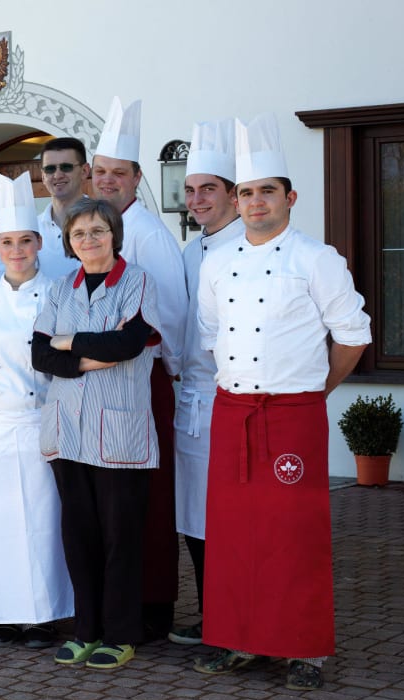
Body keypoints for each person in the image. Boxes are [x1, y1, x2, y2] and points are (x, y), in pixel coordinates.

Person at [195, 114, 371, 690]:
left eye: (266, 191)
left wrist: (317, 390)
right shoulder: (217, 263)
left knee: (294, 535)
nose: (255, 202)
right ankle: (238, 639)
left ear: (290, 198)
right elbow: (210, 337)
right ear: (236, 200)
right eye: (246, 192)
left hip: (293, 415)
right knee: (232, 534)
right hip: (232, 412)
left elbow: (353, 336)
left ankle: (303, 650)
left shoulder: (318, 259)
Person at [32, 197, 163, 670]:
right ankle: (86, 630)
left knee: (120, 539)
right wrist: (90, 357)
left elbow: (129, 343)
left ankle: (121, 633)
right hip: (67, 431)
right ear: (69, 242)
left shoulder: (137, 281)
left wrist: (68, 343)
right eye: (79, 233)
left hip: (119, 435)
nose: (88, 240)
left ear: (114, 235)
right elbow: (40, 355)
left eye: (97, 231)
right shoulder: (60, 288)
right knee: (79, 536)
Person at [90, 96, 187, 640]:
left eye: (118, 173)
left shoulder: (148, 233)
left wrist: (166, 372)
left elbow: (172, 316)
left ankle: (154, 603)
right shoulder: (94, 228)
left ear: (137, 178)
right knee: (112, 499)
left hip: (144, 379)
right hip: (99, 379)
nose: (108, 180)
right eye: (101, 171)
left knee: (148, 495)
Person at [0, 172, 73, 649]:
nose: (16, 250)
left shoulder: (59, 293)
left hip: (41, 420)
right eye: (7, 242)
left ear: (39, 243)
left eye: (25, 240)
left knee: (43, 522)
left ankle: (45, 617)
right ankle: (0, 615)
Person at [168, 119, 244, 647]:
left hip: (235, 399)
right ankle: (212, 612)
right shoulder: (190, 252)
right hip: (191, 401)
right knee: (194, 516)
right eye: (191, 190)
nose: (196, 200)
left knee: (233, 517)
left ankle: (237, 615)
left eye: (208, 189)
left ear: (234, 195)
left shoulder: (249, 249)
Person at [37, 137, 89, 280]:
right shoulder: (32, 229)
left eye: (66, 167)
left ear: (84, 171)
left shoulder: (105, 222)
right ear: (43, 176)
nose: (58, 175)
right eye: (50, 169)